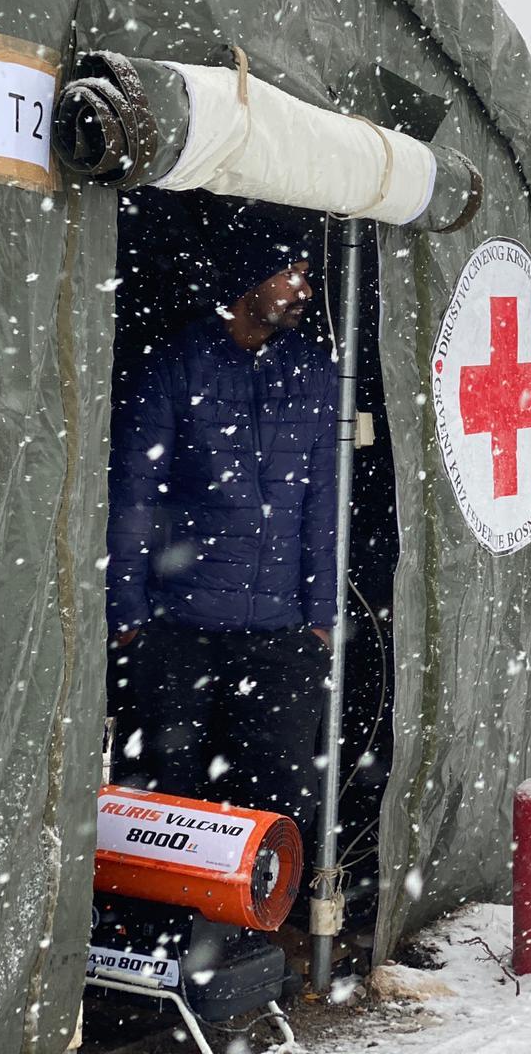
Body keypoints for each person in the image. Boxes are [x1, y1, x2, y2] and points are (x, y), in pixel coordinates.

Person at [105, 197, 337, 850]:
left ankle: (262, 935)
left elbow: (323, 502)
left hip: (282, 634)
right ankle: (172, 938)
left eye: (305, 272)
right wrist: (127, 617)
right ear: (248, 278)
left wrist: (319, 618)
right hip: (179, 632)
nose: (304, 289)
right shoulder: (174, 366)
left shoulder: (313, 373)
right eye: (290, 272)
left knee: (279, 804)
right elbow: (132, 496)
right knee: (170, 804)